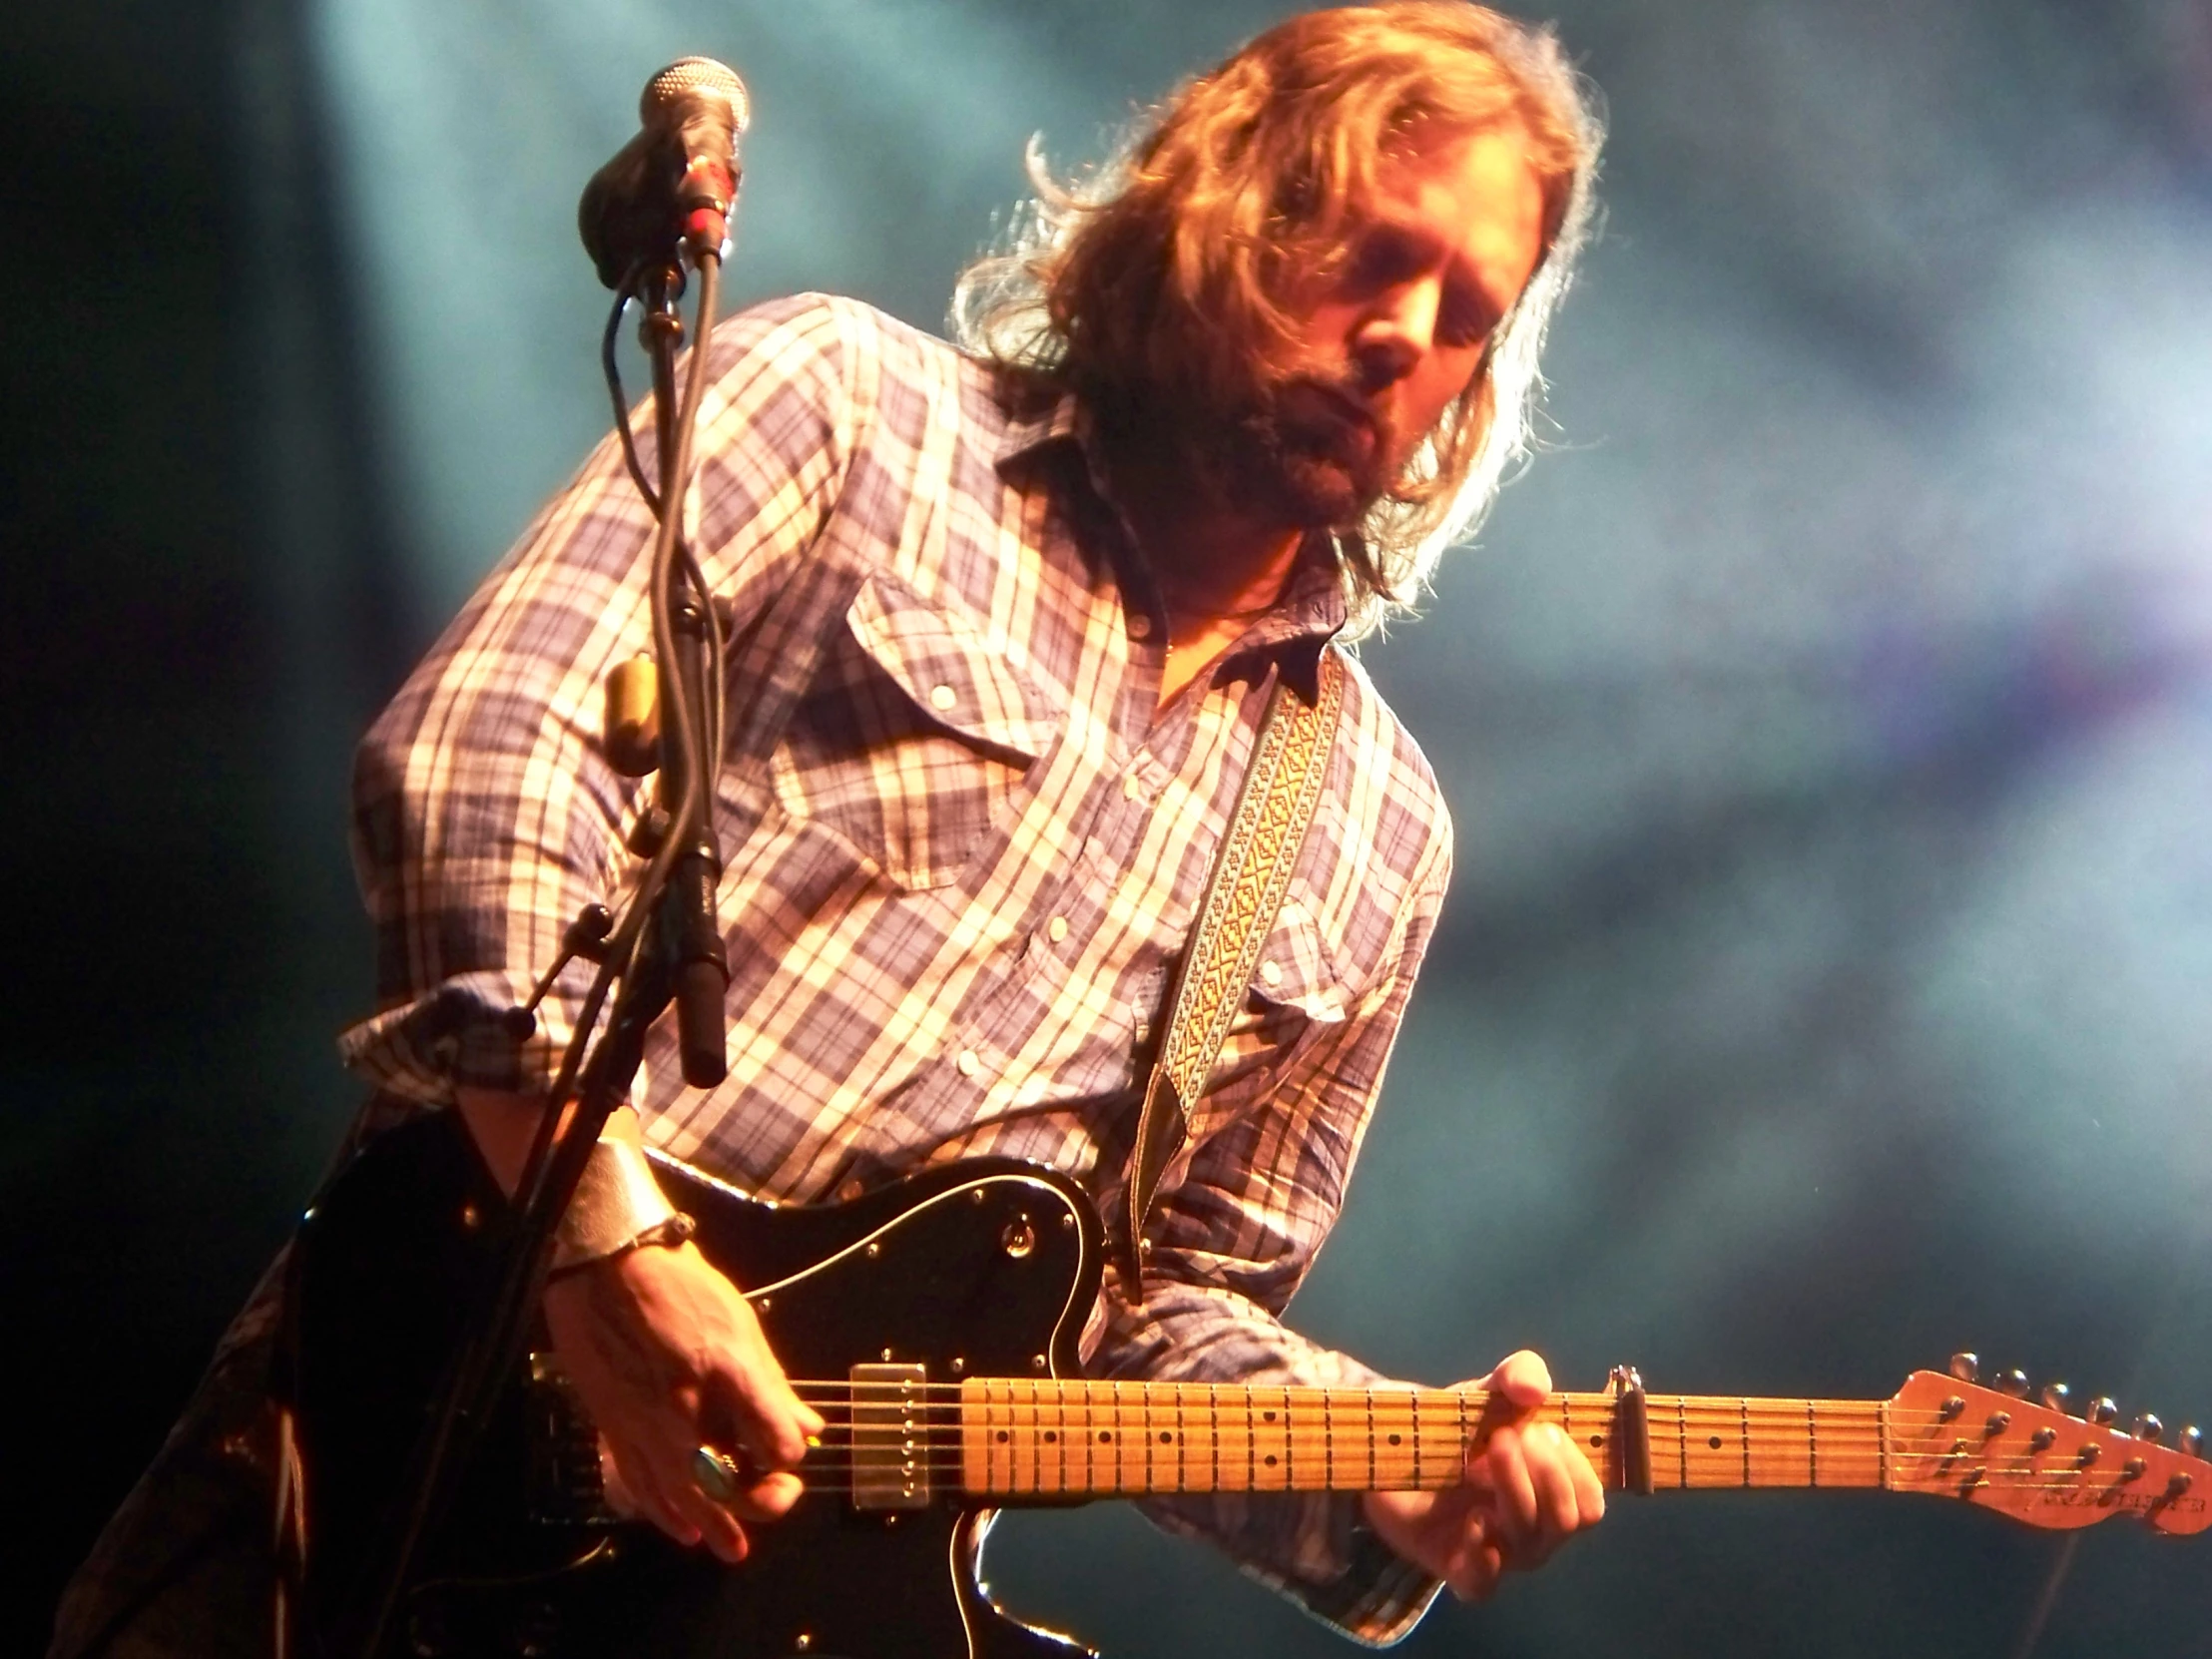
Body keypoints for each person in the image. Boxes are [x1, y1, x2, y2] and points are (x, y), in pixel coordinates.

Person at [51, 4, 1605, 1652]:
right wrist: (599, 1251)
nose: (1408, 335)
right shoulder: (854, 411)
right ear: (1229, 197)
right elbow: (482, 757)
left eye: (1468, 314)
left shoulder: (1372, 822)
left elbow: (1157, 1308)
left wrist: (1377, 1484)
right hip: (402, 1450)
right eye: (1378, 250)